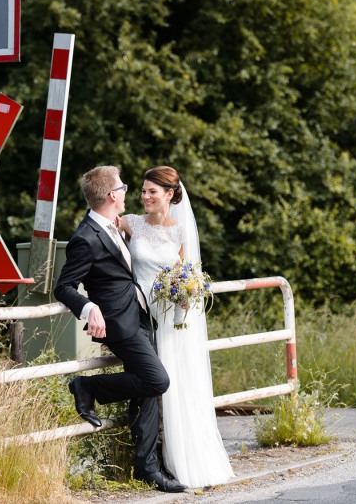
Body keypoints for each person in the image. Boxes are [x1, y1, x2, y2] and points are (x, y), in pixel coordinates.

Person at [54, 165, 187, 493]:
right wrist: (89, 307)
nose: (131, 192)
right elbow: (64, 286)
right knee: (158, 380)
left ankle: (146, 467)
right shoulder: (85, 237)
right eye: (125, 187)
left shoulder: (115, 226)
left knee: (148, 388)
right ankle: (87, 388)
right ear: (113, 195)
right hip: (118, 324)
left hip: (141, 314)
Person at [117, 165, 235, 488]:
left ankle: (176, 458)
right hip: (141, 315)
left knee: (174, 387)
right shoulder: (132, 224)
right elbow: (104, 225)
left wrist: (185, 295)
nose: (145, 197)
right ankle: (148, 460)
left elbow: (187, 277)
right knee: (151, 385)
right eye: (142, 191)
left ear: (169, 195)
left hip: (170, 321)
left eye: (152, 192)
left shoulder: (180, 232)